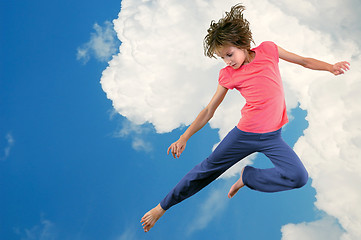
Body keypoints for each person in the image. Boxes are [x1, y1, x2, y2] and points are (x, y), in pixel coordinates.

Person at [140, 4, 350, 232]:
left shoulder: (269, 50)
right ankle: (162, 207)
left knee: (298, 177)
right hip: (245, 135)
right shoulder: (228, 75)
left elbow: (303, 61)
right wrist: (184, 137)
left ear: (243, 44)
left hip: (272, 136)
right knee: (207, 170)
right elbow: (209, 110)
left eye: (229, 54)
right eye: (222, 57)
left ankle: (248, 178)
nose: (227, 61)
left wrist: (330, 67)